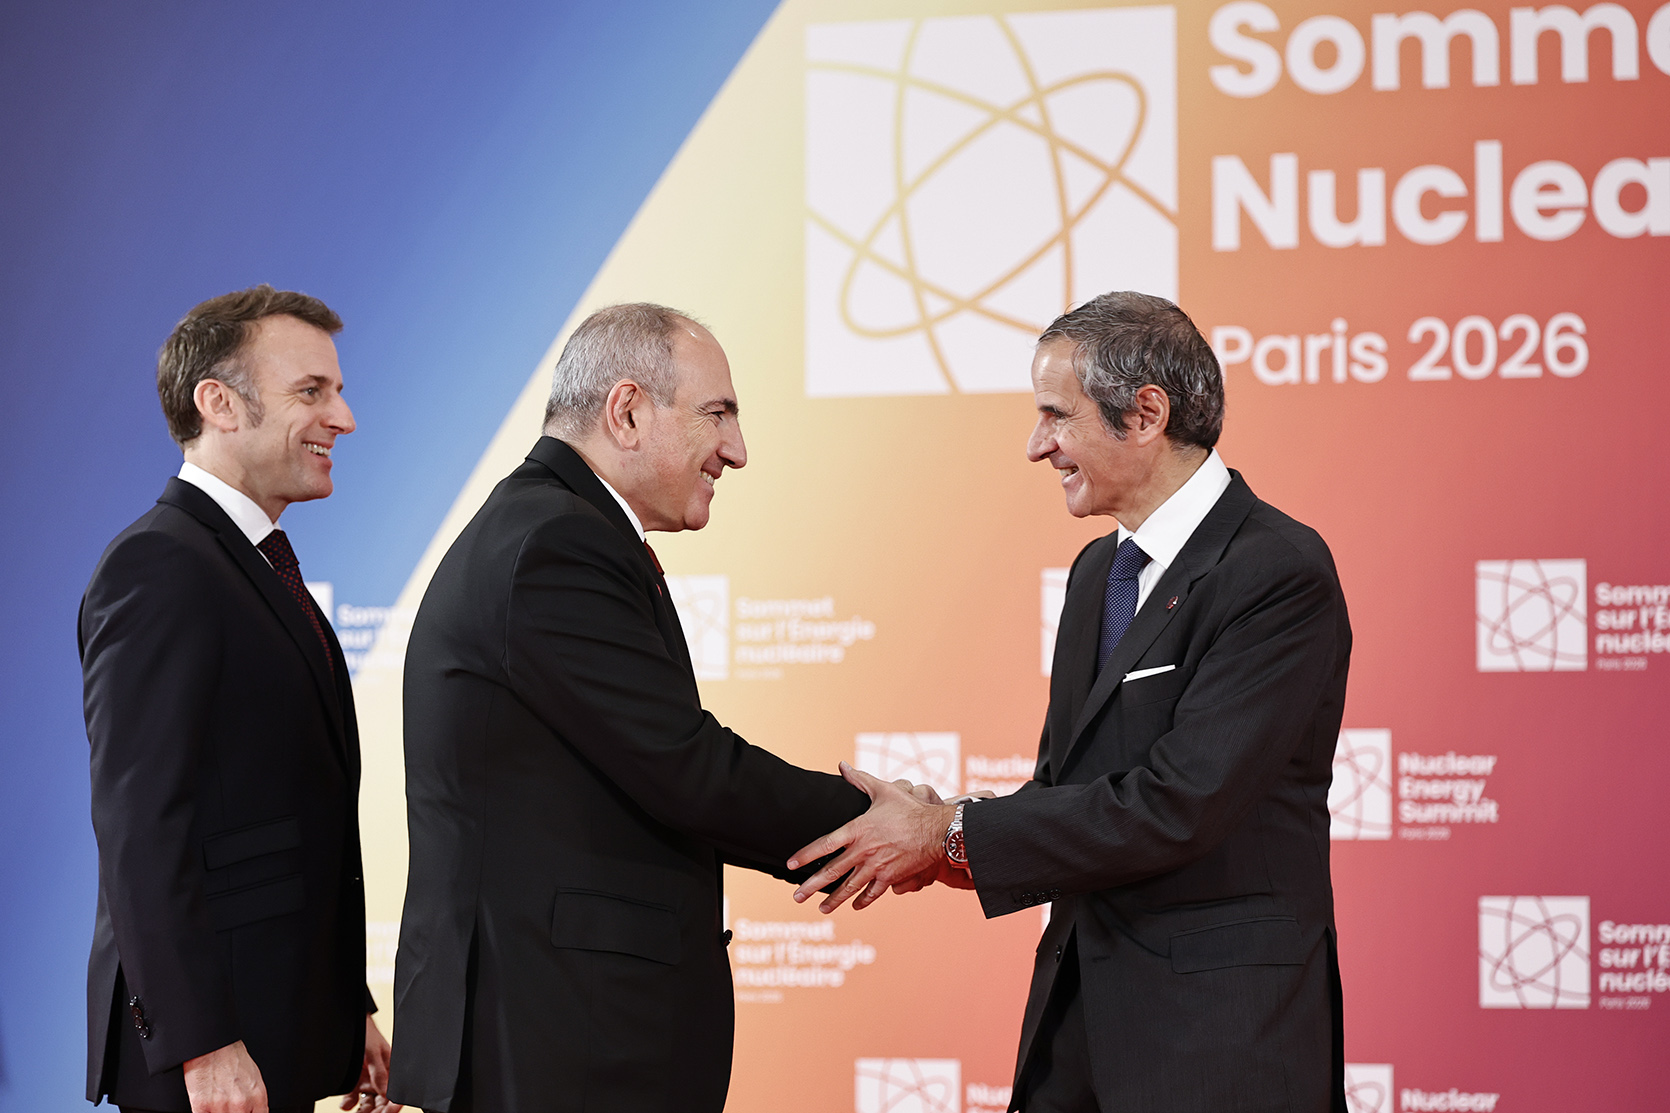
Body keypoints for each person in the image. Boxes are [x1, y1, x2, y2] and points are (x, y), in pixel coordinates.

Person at [791, 291, 1352, 1113]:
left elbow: (1178, 805)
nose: (1036, 445)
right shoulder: (1098, 574)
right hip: (1078, 1033)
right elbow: (1067, 792)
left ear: (1146, 414)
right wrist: (941, 840)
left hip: (1218, 1047)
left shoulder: (1276, 570)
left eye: (1056, 414)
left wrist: (947, 831)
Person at [389, 303, 872, 1113]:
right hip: (559, 1043)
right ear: (628, 411)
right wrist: (885, 825)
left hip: (558, 1035)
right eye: (718, 413)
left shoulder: (553, 527)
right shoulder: (556, 542)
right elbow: (688, 769)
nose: (737, 450)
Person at [81, 286, 394, 1113]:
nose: (344, 417)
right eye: (311, 391)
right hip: (213, 1053)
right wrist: (201, 1041)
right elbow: (142, 828)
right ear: (218, 403)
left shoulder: (250, 562)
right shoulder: (160, 565)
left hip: (275, 1025)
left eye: (337, 390)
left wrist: (348, 1007)